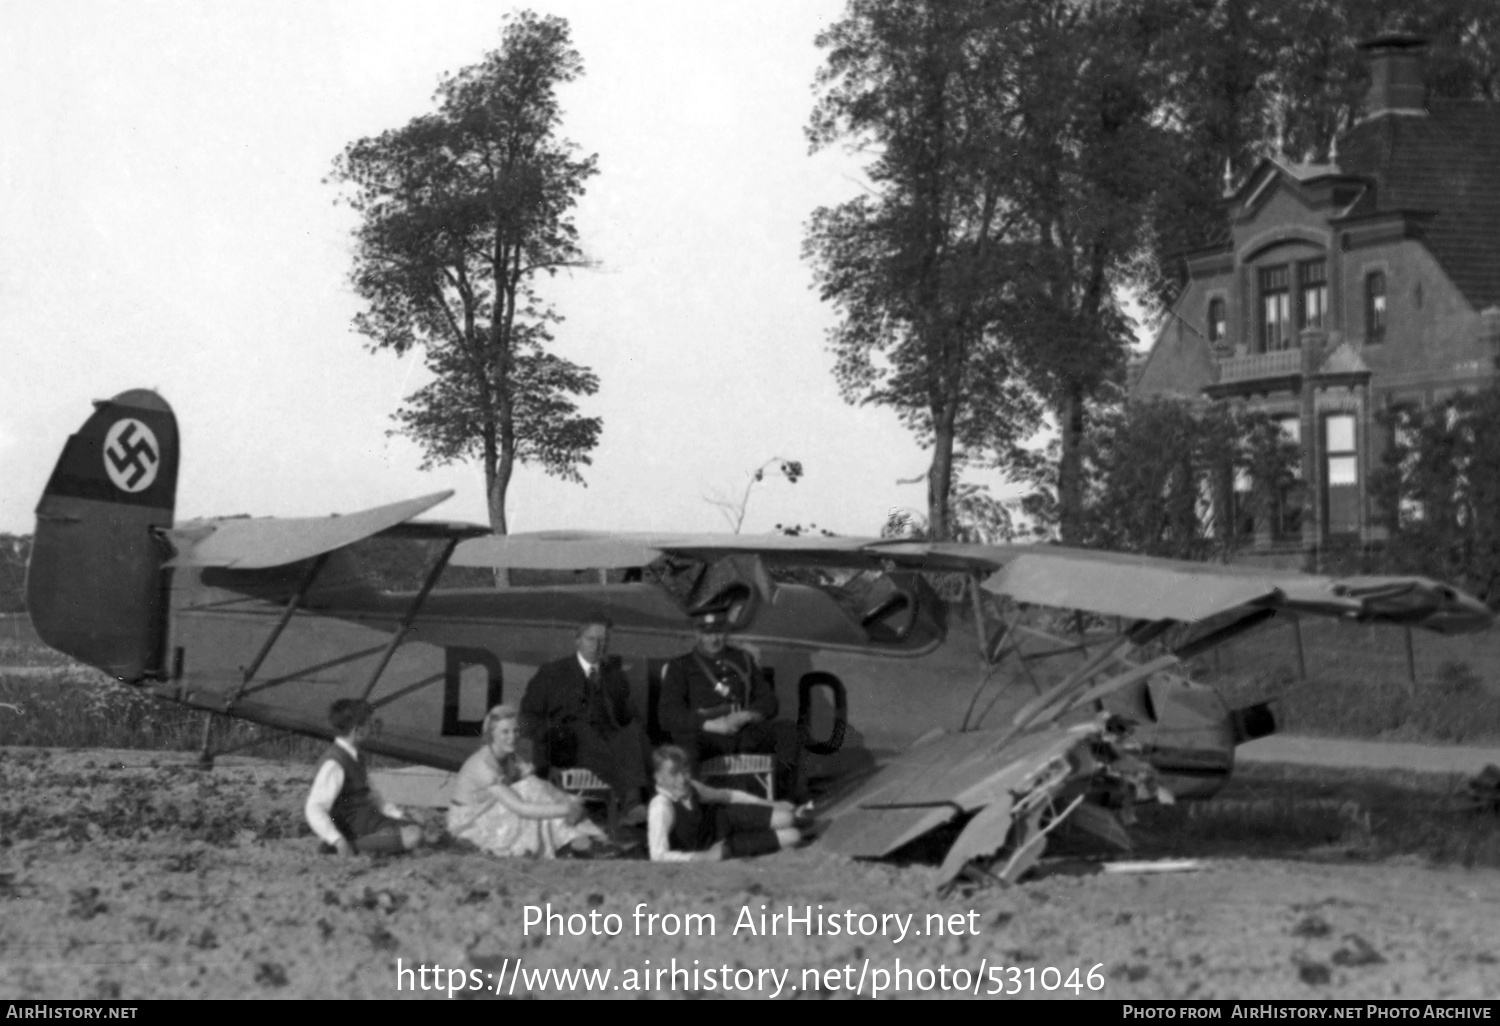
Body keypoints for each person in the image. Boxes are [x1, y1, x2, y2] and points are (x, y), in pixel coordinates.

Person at [520, 615, 653, 818]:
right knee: (623, 742)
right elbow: (526, 718)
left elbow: (629, 718)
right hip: (567, 749)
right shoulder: (552, 673)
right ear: (578, 640)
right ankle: (635, 802)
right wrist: (552, 734)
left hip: (609, 748)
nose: (598, 646)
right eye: (592, 639)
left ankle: (642, 805)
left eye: (604, 641)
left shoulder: (615, 676)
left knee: (634, 734)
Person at [447, 705, 613, 859]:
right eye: (505, 732)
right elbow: (521, 808)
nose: (512, 737)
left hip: (492, 812)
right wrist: (565, 808)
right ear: (491, 736)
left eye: (515, 731)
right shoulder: (483, 765)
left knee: (534, 787)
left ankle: (583, 840)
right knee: (529, 792)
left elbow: (540, 786)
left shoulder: (510, 758)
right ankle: (579, 842)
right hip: (468, 824)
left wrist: (566, 799)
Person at [658, 606, 781, 772]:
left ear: (726, 632)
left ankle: (789, 796)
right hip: (707, 737)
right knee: (686, 746)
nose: (714, 639)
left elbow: (769, 701)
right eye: (708, 633)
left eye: (719, 632)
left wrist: (746, 715)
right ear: (697, 633)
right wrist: (711, 725)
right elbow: (668, 715)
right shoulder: (680, 666)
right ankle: (691, 797)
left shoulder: (743, 659)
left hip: (743, 733)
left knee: (788, 733)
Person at [647, 744, 805, 862]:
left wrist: (770, 803)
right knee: (793, 836)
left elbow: (727, 796)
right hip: (720, 845)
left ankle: (803, 817)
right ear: (659, 777)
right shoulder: (661, 807)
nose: (682, 780)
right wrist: (704, 856)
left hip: (726, 818)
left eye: (685, 772)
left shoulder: (692, 787)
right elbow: (658, 855)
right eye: (674, 774)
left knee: (786, 817)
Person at [305, 698, 422, 855]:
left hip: (366, 820)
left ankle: (376, 845)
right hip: (354, 826)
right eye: (369, 724)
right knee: (414, 835)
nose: (372, 728)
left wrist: (399, 814)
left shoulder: (355, 757)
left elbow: (372, 796)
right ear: (358, 729)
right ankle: (350, 847)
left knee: (416, 824)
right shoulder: (335, 762)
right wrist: (337, 839)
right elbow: (314, 807)